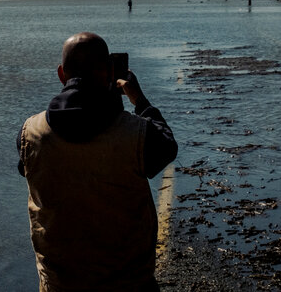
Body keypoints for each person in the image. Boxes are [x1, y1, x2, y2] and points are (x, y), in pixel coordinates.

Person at [17, 32, 178, 291]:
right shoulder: (135, 134)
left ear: (61, 74)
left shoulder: (31, 133)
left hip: (60, 284)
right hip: (129, 282)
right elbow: (167, 147)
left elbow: (28, 170)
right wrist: (140, 101)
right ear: (109, 73)